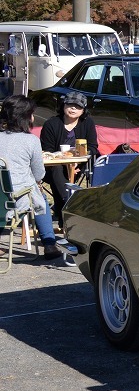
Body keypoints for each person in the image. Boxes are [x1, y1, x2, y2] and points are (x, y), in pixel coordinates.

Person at [0, 95, 67, 264]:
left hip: (1, 198)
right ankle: (49, 244)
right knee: (39, 195)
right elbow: (39, 175)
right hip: (16, 199)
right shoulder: (30, 141)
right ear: (26, 117)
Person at [39, 91, 99, 229]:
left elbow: (93, 147)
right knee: (57, 169)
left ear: (83, 110)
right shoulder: (51, 124)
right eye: (70, 105)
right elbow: (46, 149)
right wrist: (61, 158)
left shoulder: (87, 123)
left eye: (77, 106)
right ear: (63, 106)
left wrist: (80, 159)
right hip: (52, 167)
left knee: (60, 175)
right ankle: (70, 204)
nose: (73, 109)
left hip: (78, 166)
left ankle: (63, 214)